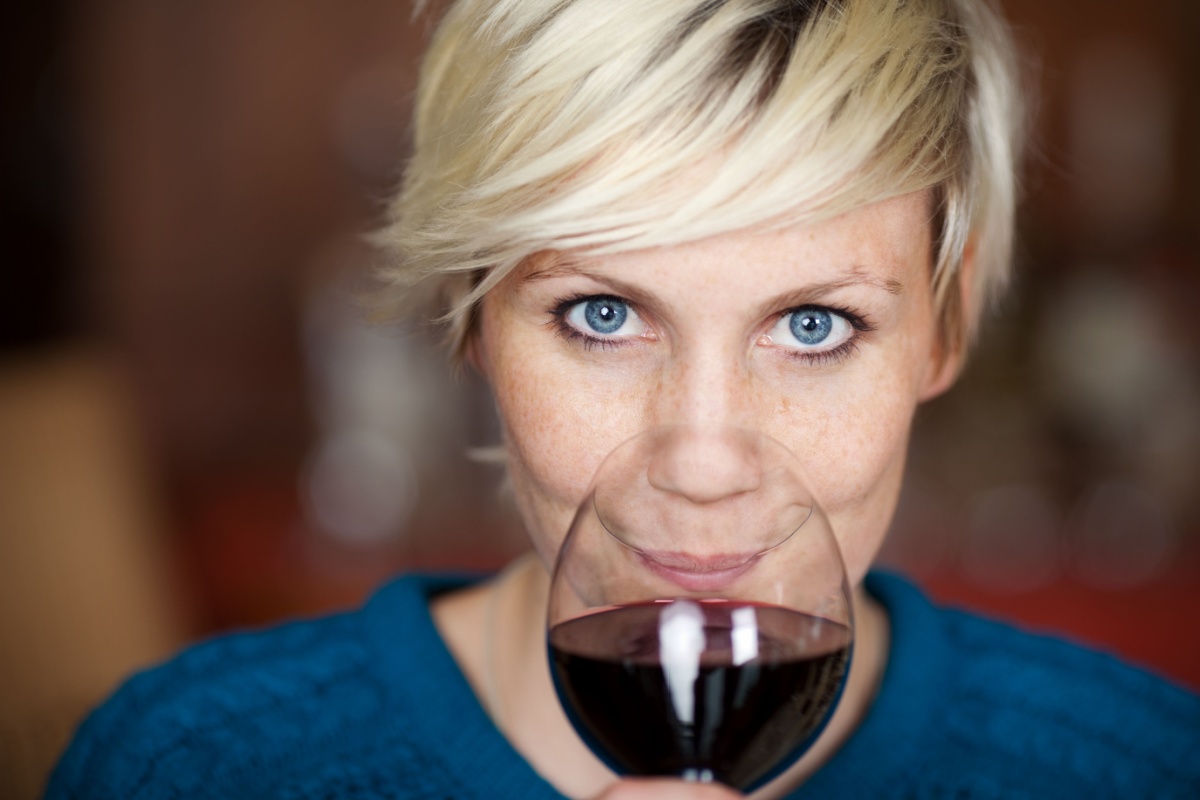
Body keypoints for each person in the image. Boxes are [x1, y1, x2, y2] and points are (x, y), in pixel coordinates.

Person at [48, 0, 1200, 797]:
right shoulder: (194, 768)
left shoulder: (1143, 767)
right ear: (472, 316)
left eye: (814, 324)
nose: (701, 457)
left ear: (942, 328)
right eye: (603, 314)